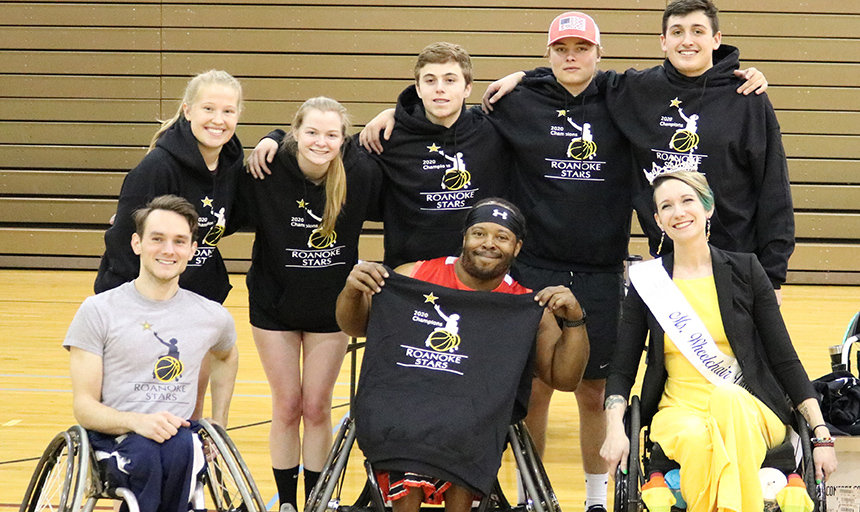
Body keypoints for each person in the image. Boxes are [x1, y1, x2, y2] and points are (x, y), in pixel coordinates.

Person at [599, 171, 836, 512]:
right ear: (658, 220)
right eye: (666, 206)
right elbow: (622, 368)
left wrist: (821, 435)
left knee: (727, 398)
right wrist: (613, 430)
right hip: (678, 412)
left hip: (750, 407)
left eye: (687, 201)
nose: (678, 212)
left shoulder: (746, 270)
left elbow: (785, 360)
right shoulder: (647, 282)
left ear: (707, 208)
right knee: (697, 438)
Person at [336, 198, 590, 512]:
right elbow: (356, 326)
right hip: (405, 408)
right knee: (413, 425)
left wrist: (575, 320)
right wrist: (352, 290)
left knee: (466, 429)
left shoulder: (524, 304)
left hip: (472, 421)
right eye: (479, 233)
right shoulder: (415, 275)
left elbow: (564, 379)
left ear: (517, 247)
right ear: (465, 238)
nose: (489, 244)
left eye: (502, 237)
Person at [232, 97, 380, 512]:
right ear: (295, 134)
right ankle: (287, 502)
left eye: (331, 134)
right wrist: (269, 138)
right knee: (287, 405)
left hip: (330, 311)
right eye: (311, 132)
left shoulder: (360, 173)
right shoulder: (267, 169)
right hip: (273, 305)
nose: (321, 141)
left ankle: (317, 501)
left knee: (316, 407)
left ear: (342, 140)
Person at [248, 42, 512, 268]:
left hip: (477, 273)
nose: (439, 88)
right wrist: (276, 139)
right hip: (409, 273)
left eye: (450, 80)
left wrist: (520, 75)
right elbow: (324, 144)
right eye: (430, 80)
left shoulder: (493, 130)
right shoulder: (387, 136)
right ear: (418, 89)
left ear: (467, 88)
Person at [64, 195, 239, 512]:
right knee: (146, 453)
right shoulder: (98, 311)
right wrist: (137, 422)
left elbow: (225, 355)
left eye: (179, 241)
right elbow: (84, 408)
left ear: (192, 250)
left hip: (180, 440)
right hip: (115, 439)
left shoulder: (211, 316)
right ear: (137, 243)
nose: (169, 250)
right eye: (157, 239)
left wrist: (218, 421)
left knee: (182, 447)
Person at [95, 69, 245, 304]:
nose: (218, 119)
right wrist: (128, 305)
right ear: (188, 111)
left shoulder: (232, 163)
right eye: (208, 109)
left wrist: (273, 139)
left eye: (227, 111)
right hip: (149, 300)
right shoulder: (157, 167)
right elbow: (123, 243)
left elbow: (230, 218)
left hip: (200, 295)